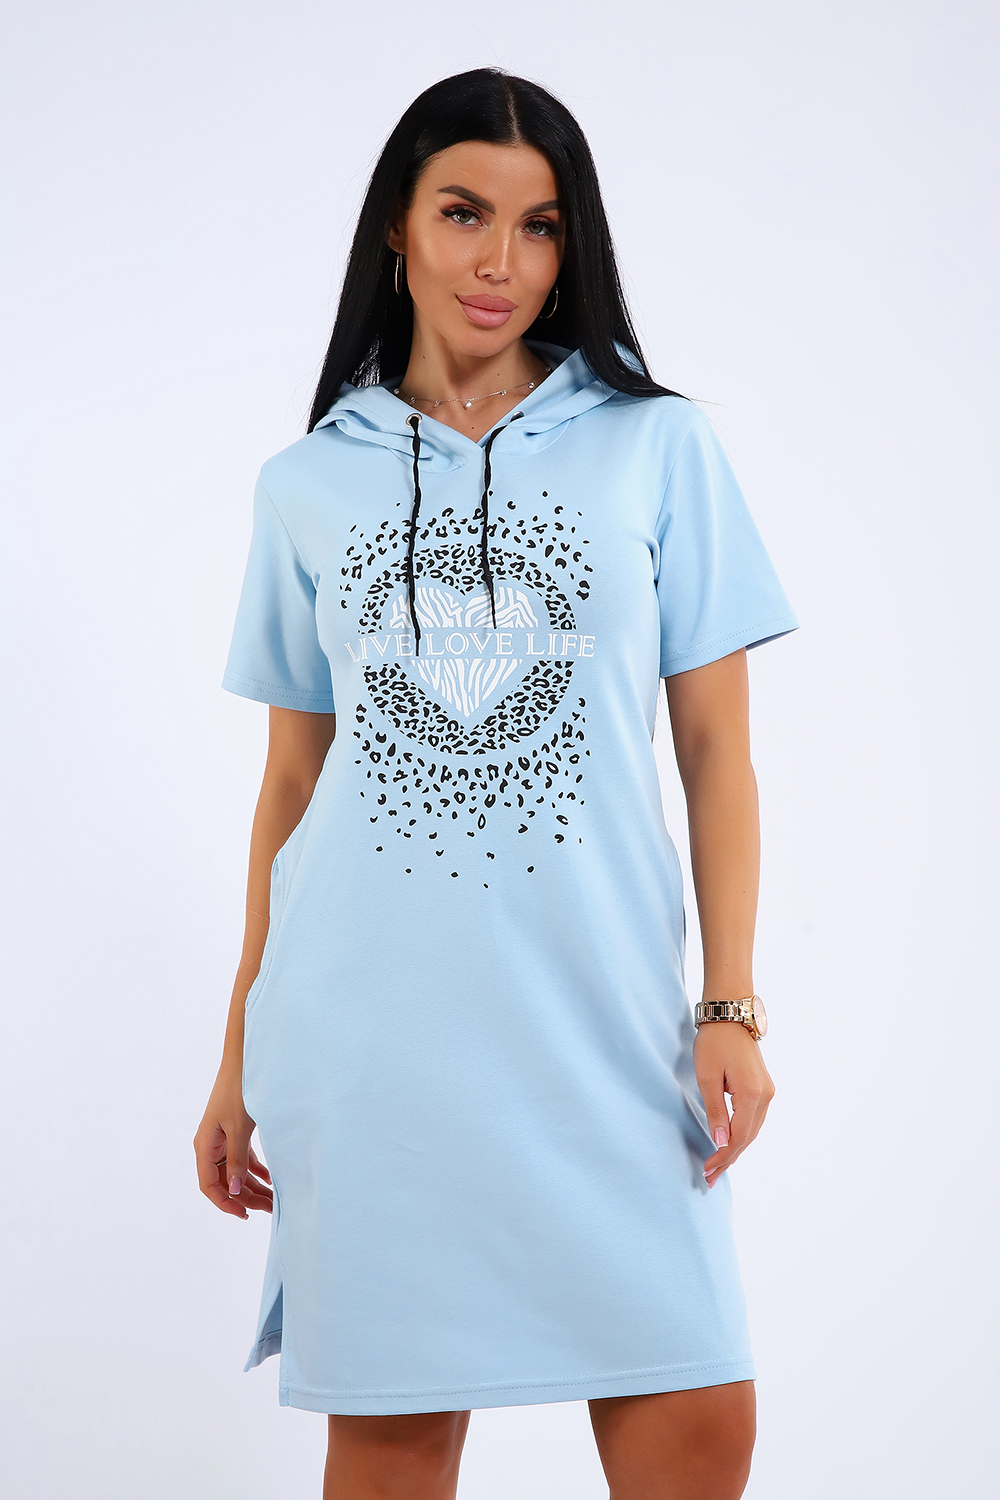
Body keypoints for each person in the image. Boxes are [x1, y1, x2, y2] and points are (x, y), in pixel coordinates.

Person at [194, 66, 799, 1500]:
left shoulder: (658, 446)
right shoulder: (307, 484)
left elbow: (716, 752)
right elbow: (292, 785)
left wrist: (728, 1003)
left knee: (699, 1420)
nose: (501, 262)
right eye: (464, 213)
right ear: (396, 230)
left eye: (540, 227)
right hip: (371, 1041)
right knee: (395, 1449)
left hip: (603, 1028)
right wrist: (235, 1048)